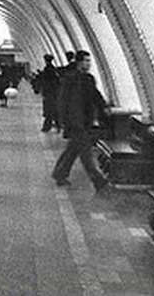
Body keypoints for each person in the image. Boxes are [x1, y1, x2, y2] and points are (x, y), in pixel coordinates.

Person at [51, 50, 109, 192]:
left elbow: (95, 95)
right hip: (75, 121)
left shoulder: (89, 79)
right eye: (86, 61)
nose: (89, 64)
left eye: (89, 61)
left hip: (85, 120)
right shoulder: (70, 79)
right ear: (79, 62)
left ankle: (59, 173)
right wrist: (64, 120)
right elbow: (63, 101)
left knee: (73, 149)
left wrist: (104, 107)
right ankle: (98, 180)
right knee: (85, 152)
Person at [36, 54, 61, 132]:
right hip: (54, 92)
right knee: (54, 109)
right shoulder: (54, 70)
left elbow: (45, 82)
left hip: (48, 93)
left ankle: (47, 126)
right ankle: (57, 125)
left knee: (49, 109)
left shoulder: (47, 70)